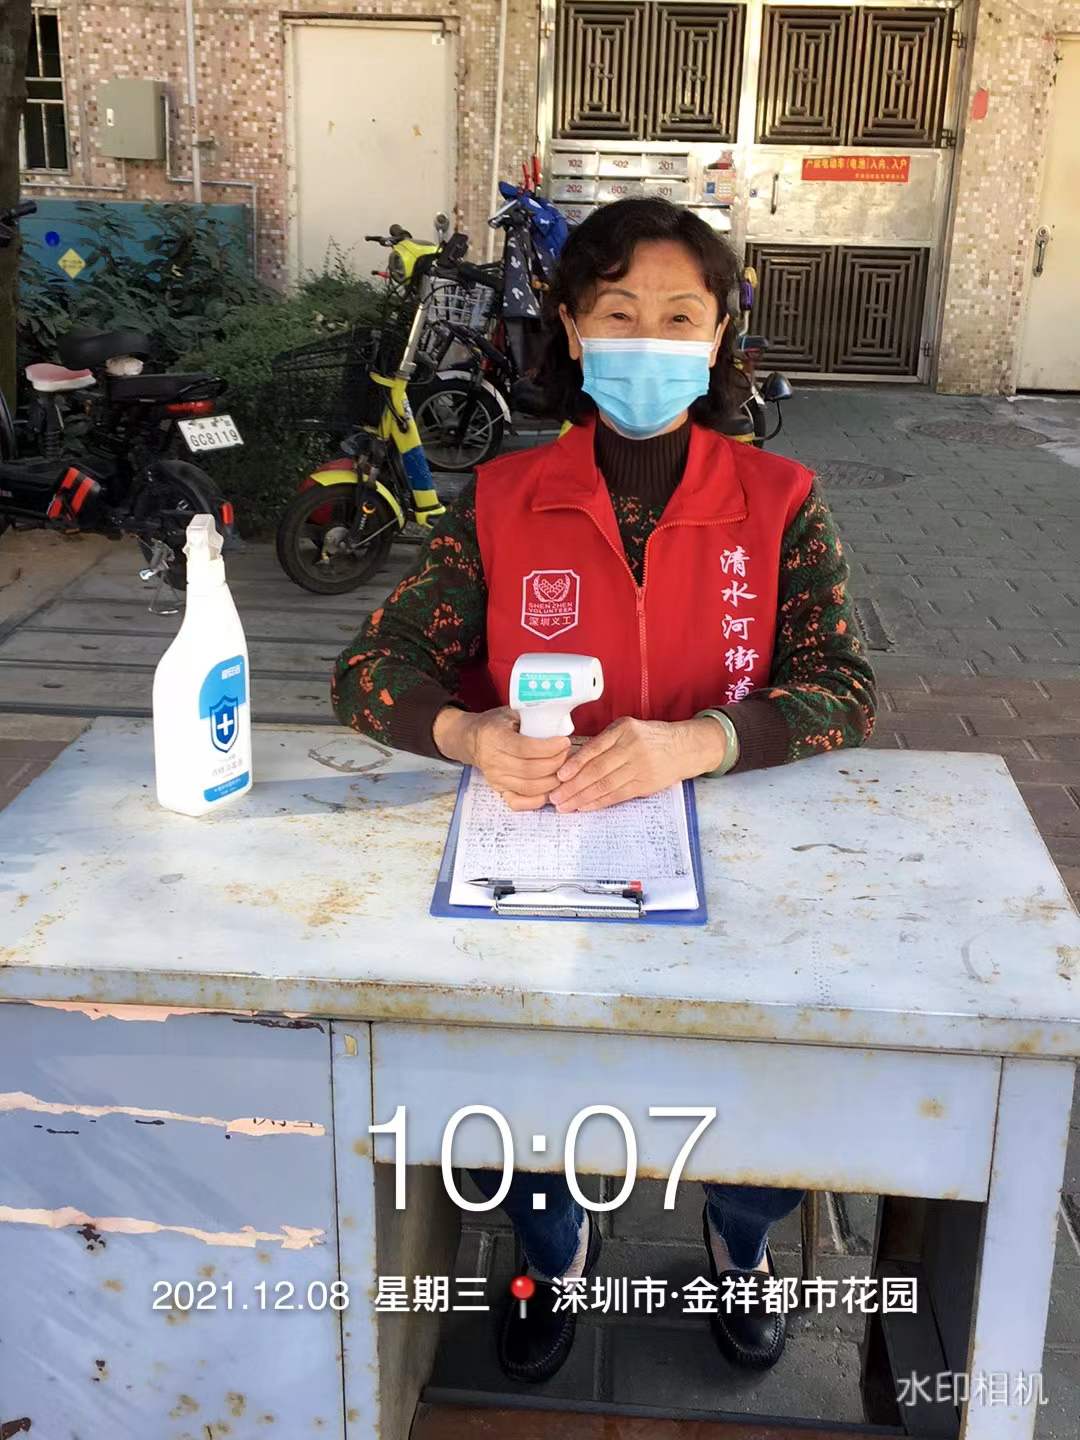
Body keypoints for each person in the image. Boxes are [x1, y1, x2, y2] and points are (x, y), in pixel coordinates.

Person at [332, 198, 877, 1382]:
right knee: (529, 1083)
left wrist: (708, 742)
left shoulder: (779, 497)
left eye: (680, 316)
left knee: (766, 1075)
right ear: (573, 331)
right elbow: (369, 669)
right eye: (619, 313)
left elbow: (845, 685)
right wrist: (465, 732)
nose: (650, 339)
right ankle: (552, 1252)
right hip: (541, 865)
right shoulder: (502, 498)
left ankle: (740, 1242)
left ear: (719, 336)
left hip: (738, 878)